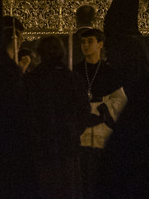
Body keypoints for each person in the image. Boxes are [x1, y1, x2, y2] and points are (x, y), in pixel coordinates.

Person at [25, 36, 91, 199]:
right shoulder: (73, 79)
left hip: (39, 147)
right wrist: (73, 130)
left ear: (39, 54)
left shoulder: (31, 81)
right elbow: (84, 111)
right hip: (67, 145)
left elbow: (25, 113)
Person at [73, 28, 126, 199]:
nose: (85, 45)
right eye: (82, 42)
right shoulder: (74, 71)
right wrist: (82, 115)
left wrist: (102, 114)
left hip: (102, 131)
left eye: (90, 41)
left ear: (100, 44)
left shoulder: (110, 72)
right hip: (81, 132)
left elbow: (120, 100)